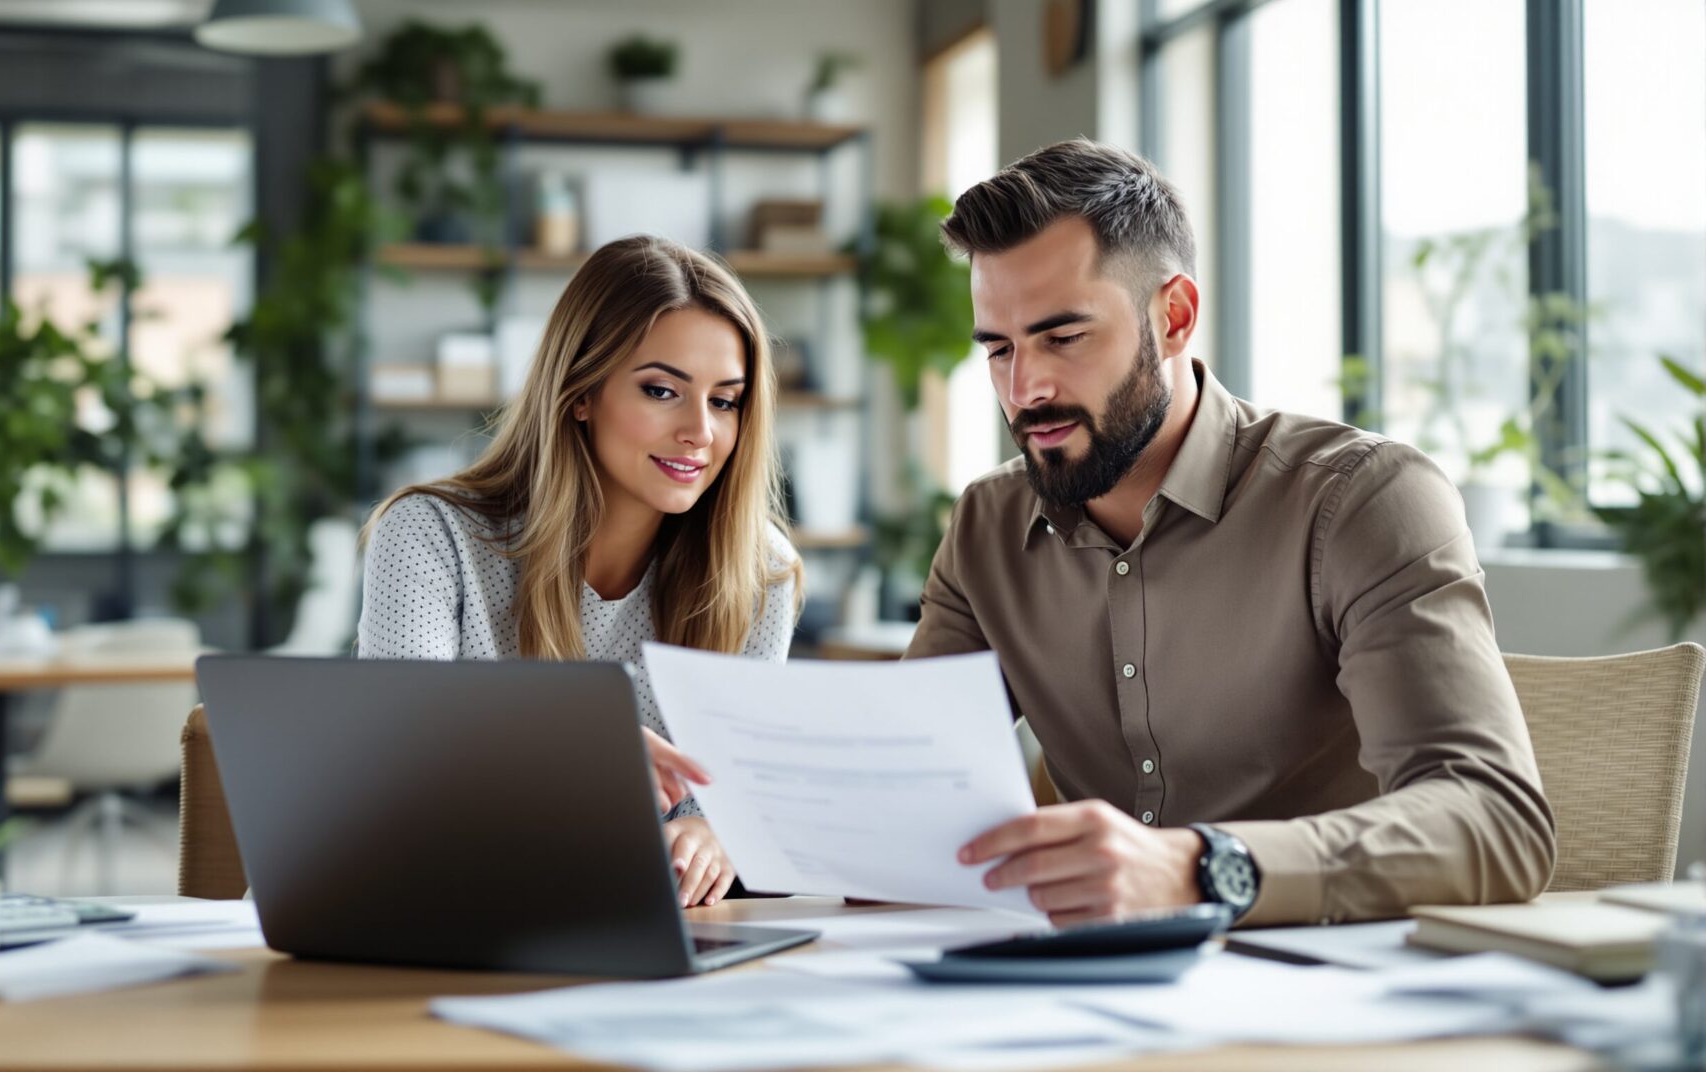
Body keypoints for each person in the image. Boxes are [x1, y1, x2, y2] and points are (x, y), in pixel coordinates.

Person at [911, 139, 1556, 927]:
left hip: (1329, 992)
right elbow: (906, 780)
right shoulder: (987, 526)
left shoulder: (1363, 500)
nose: (1025, 390)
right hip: (1082, 993)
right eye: (999, 349)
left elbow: (1498, 824)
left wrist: (1203, 868)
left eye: (1064, 338)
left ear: (1174, 316)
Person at [357, 235, 802, 909]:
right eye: (662, 390)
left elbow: (738, 790)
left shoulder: (762, 572)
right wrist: (572, 739)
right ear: (580, 393)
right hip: (446, 909)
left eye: (725, 401)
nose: (700, 432)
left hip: (647, 931)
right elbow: (394, 759)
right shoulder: (429, 535)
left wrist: (714, 831)